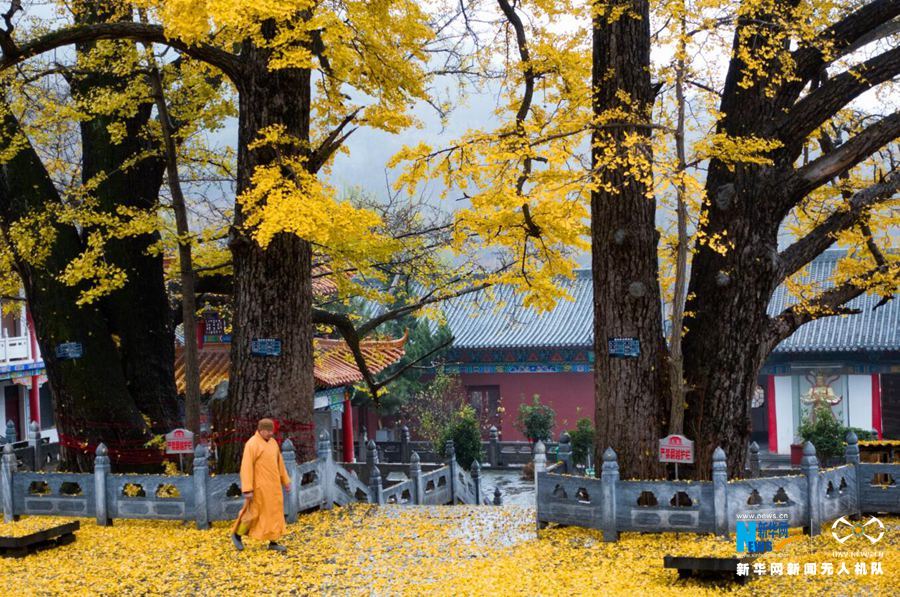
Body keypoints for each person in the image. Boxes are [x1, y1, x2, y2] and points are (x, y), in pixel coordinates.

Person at [231, 418, 292, 552]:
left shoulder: (273, 443)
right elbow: (246, 467)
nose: (271, 433)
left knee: (274, 513)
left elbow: (280, 464)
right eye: (268, 431)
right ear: (261, 430)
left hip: (274, 487)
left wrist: (286, 481)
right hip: (259, 487)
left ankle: (273, 541)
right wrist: (247, 489)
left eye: (272, 431)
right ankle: (237, 535)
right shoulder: (252, 444)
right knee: (252, 514)